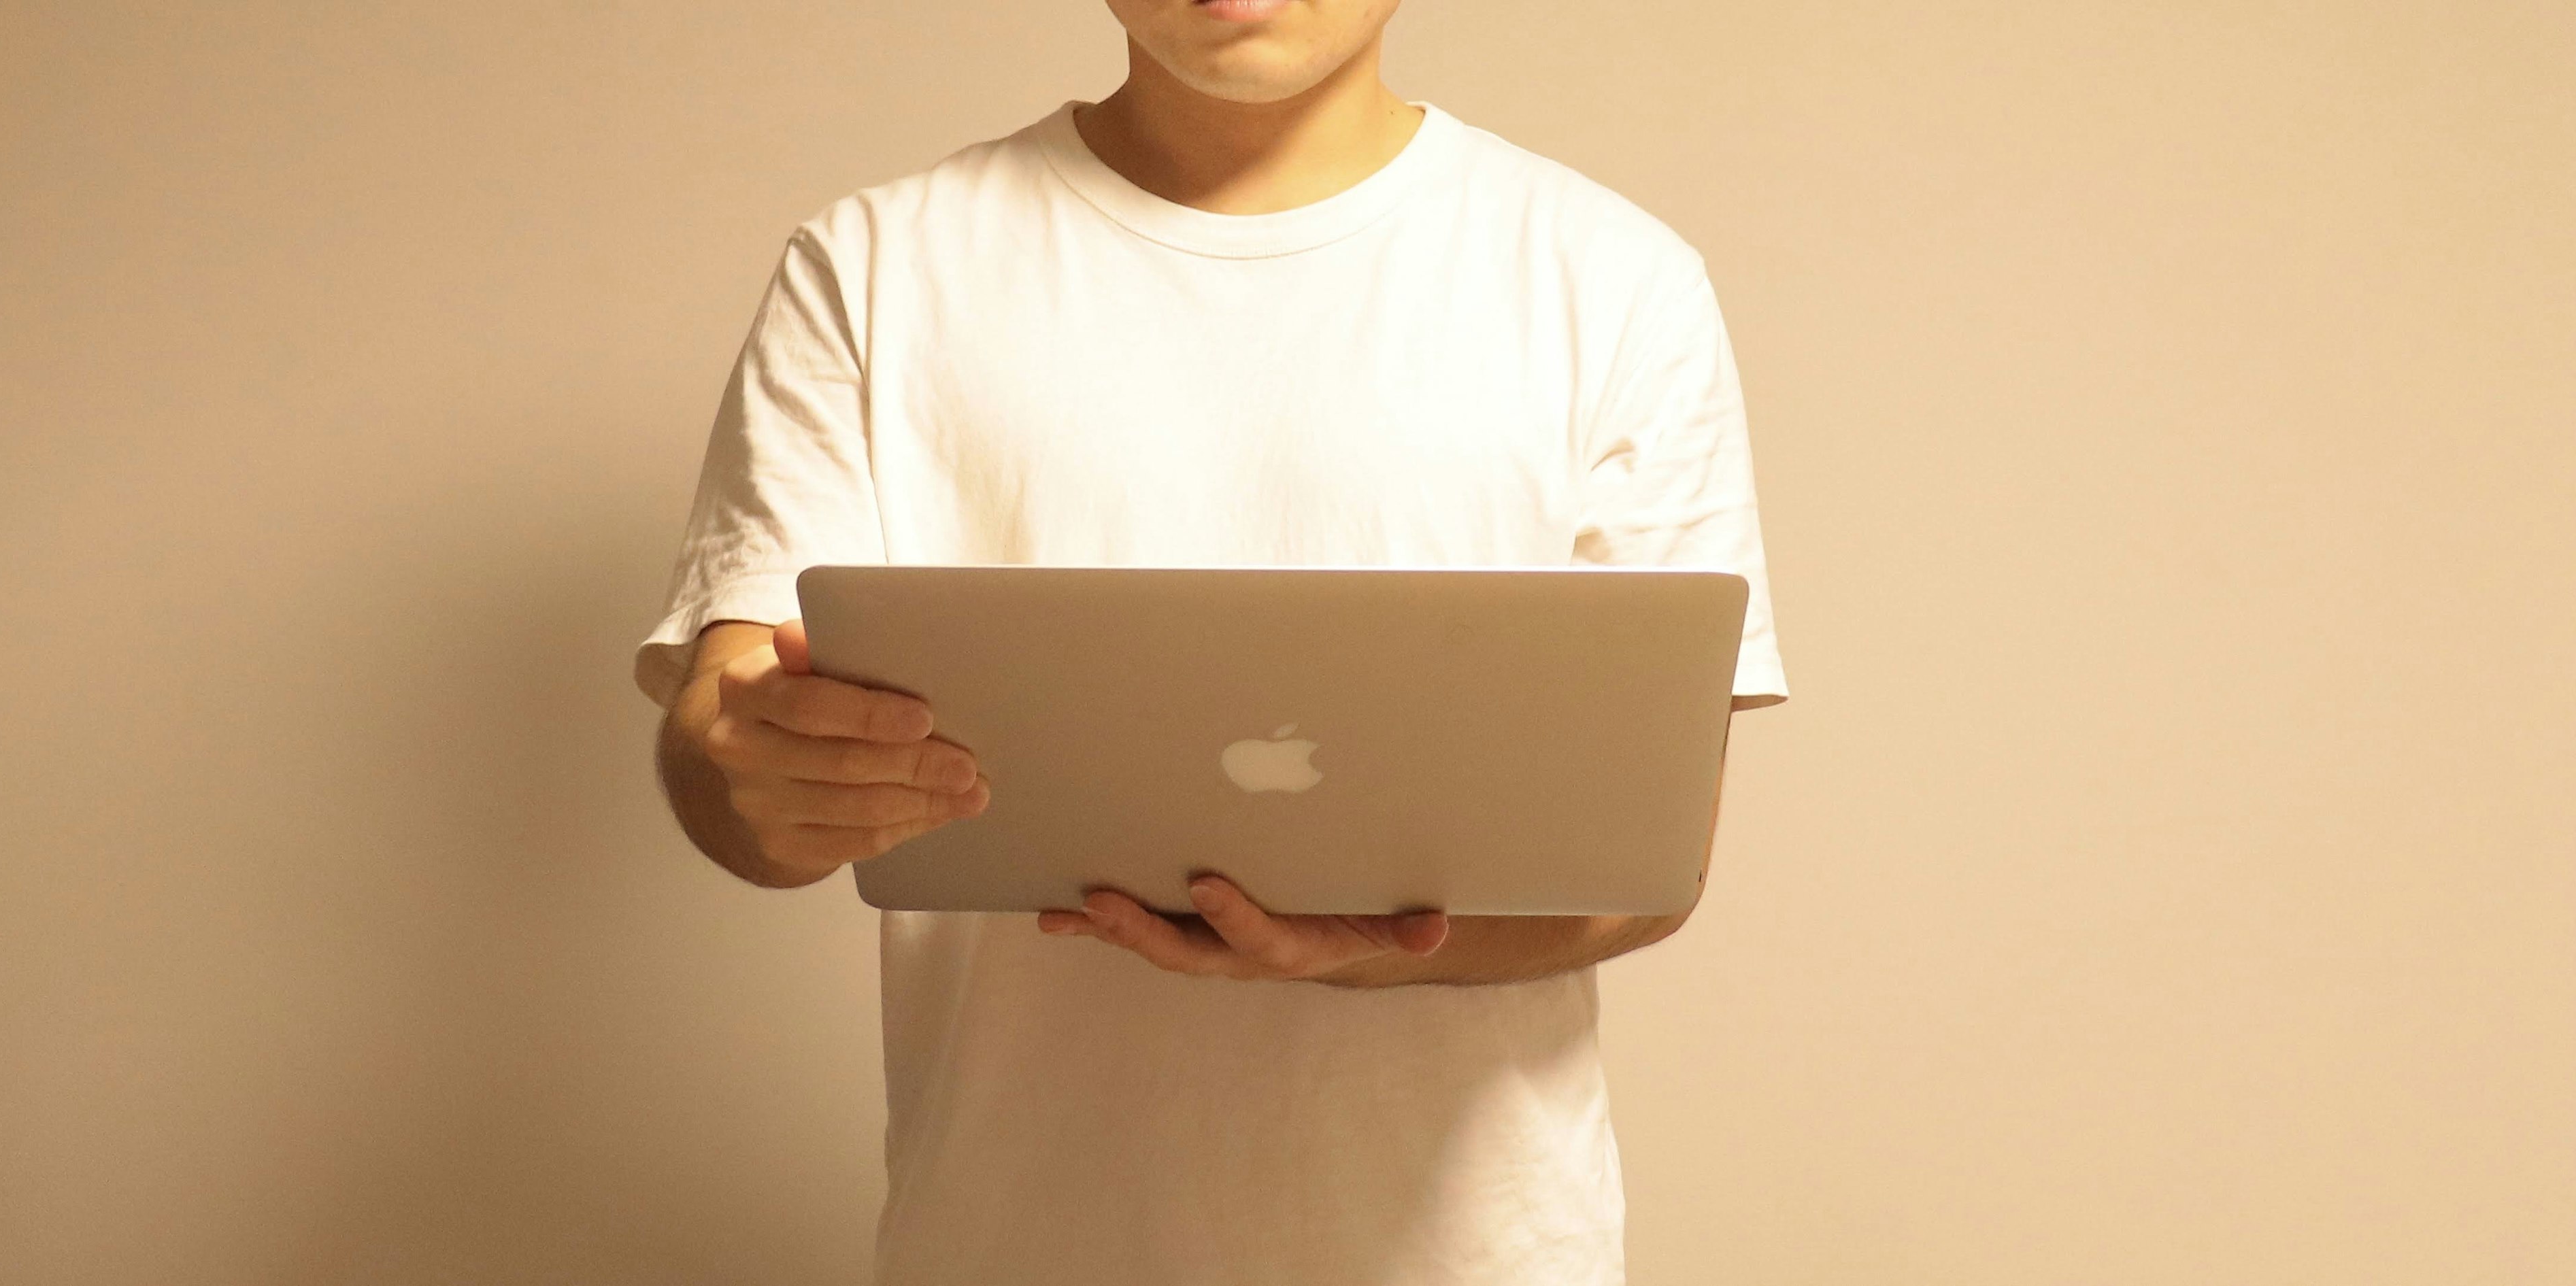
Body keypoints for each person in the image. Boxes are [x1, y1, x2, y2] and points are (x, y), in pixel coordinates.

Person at [635, 1, 1788, 1281]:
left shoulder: (1614, 281)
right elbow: (722, 731)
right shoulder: (871, 267)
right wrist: (757, 770)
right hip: (1010, 1241)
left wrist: (1368, 960)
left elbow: (1647, 863)